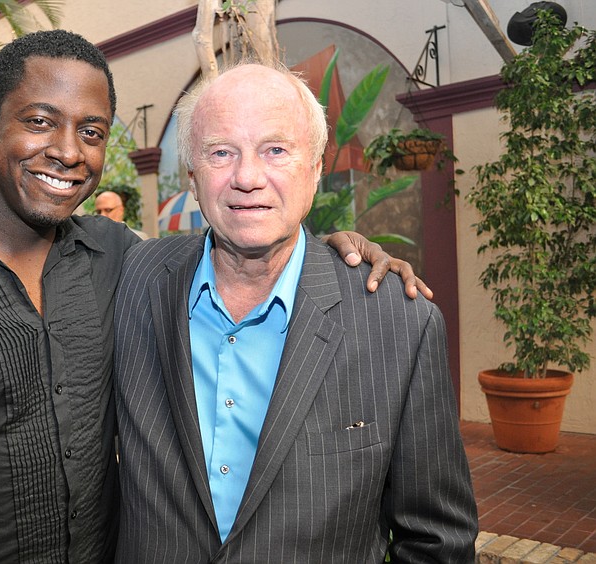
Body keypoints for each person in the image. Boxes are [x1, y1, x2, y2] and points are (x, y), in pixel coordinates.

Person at [0, 31, 429, 563]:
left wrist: (336, 249)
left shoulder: (124, 261)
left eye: (92, 132)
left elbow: (245, 236)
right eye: (39, 122)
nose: (67, 152)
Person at [112, 61, 478, 562]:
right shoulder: (131, 278)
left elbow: (438, 540)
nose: (247, 177)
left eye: (276, 150)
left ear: (316, 168)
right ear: (193, 178)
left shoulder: (398, 322)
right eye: (221, 153)